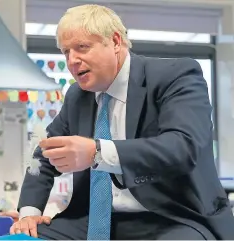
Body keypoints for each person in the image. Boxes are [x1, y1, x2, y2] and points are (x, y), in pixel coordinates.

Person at [12, 4, 234, 240]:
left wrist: (96, 153)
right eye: (66, 52)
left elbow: (183, 146)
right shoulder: (77, 96)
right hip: (90, 221)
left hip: (173, 218)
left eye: (82, 47)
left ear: (115, 42)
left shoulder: (175, 76)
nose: (72, 60)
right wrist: (29, 213)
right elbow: (43, 155)